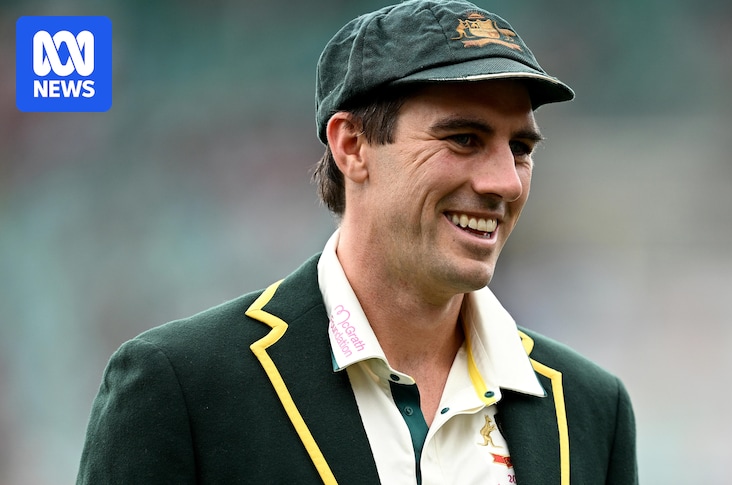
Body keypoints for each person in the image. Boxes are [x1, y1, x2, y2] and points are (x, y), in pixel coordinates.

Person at [76, 1, 638, 483]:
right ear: (352, 146)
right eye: (464, 139)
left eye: (520, 149)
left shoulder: (592, 408)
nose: (505, 183)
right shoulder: (181, 386)